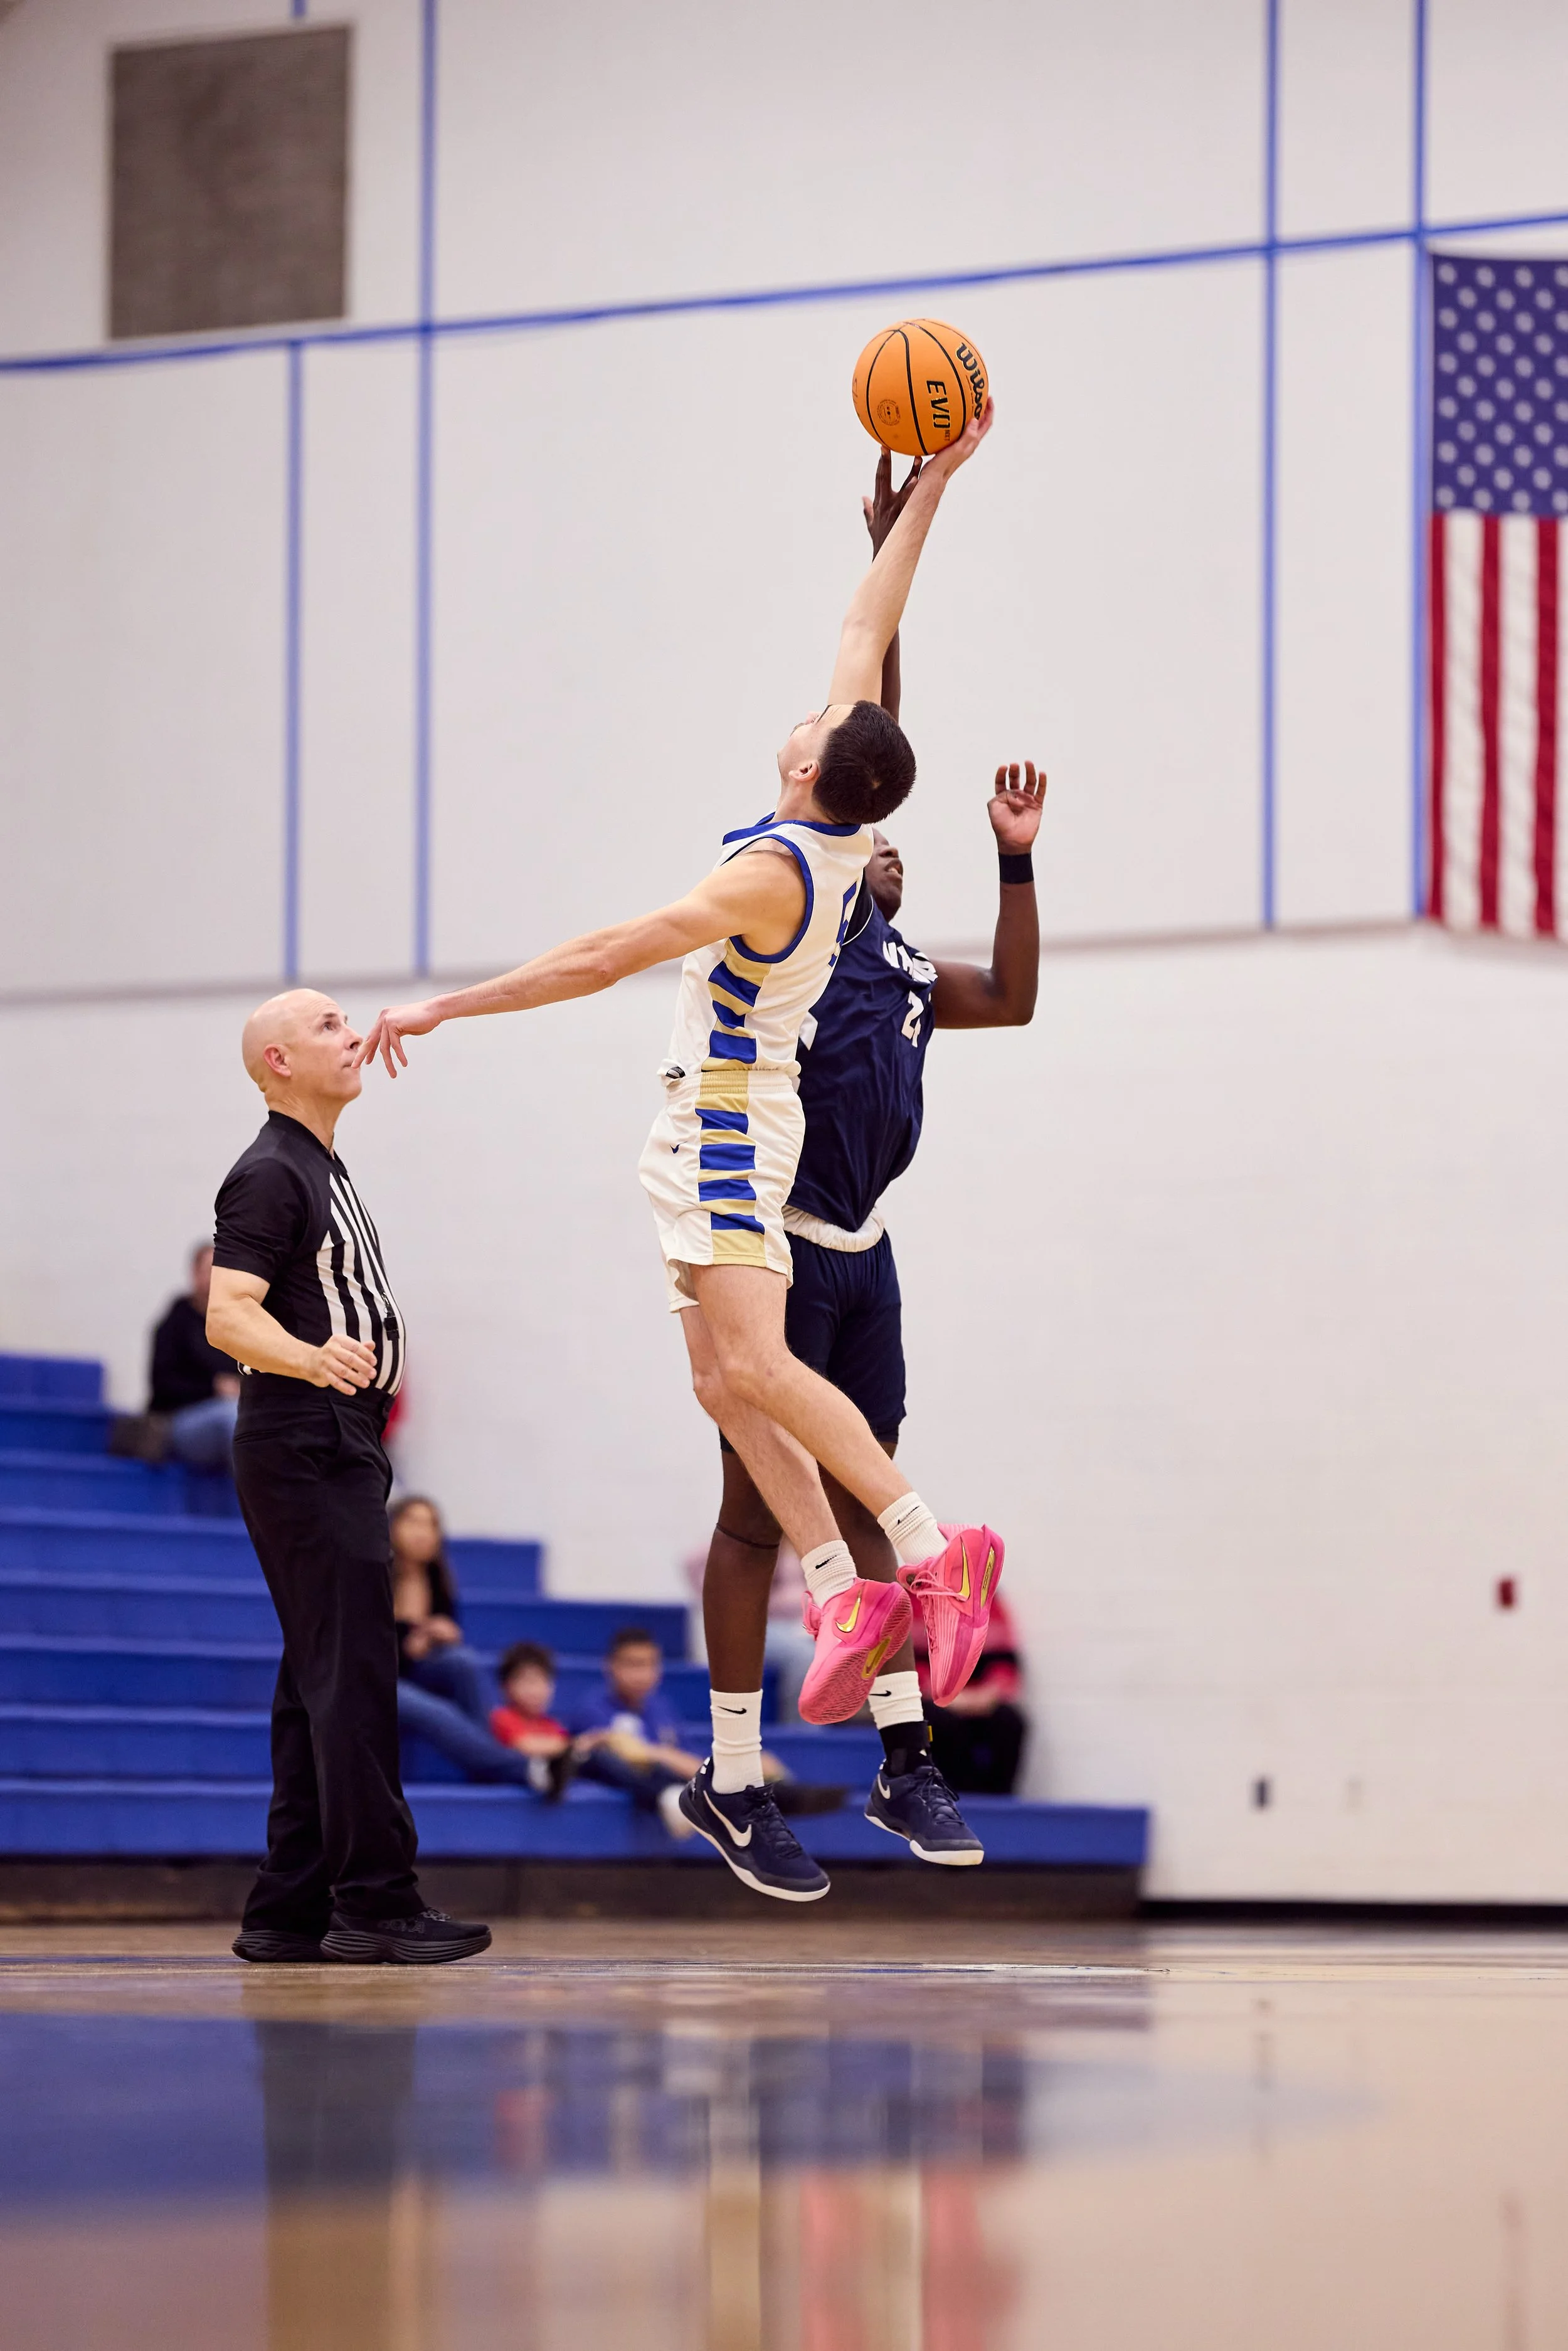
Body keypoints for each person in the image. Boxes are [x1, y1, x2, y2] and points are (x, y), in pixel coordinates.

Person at [360, 408, 1004, 1904]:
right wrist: (939, 488)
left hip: (721, 1119)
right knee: (721, 1379)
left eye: (806, 727)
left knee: (760, 1372)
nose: (794, 717)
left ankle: (920, 1542)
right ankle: (846, 1591)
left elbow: (602, 953)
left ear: (822, 769)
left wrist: (451, 1004)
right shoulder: (833, 827)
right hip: (727, 1114)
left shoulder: (772, 867)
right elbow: (868, 619)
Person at [704, 453, 1045, 1878]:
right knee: (750, 1519)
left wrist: (1014, 858)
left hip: (866, 1245)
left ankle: (906, 1763)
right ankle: (736, 1776)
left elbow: (1017, 999)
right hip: (767, 1244)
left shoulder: (901, 960)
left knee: (867, 1489)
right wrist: (896, 553)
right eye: (866, 822)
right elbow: (865, 729)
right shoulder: (811, 906)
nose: (874, 835)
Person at [206, 987, 490, 1966]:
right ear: (278, 1062)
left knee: (316, 1679)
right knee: (357, 1672)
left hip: (334, 1438)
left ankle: (288, 1908)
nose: (352, 1029)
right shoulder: (270, 1173)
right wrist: (311, 1358)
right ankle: (376, 1900)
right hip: (306, 1435)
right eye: (326, 1023)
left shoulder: (316, 1164)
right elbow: (228, 1315)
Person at [566, 1627, 705, 1841]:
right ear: (610, 1666)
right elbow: (615, 1757)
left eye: (650, 1665)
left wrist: (656, 1754)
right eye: (633, 1665)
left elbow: (691, 1763)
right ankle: (665, 1794)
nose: (641, 1674)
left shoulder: (663, 1710)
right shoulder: (592, 1709)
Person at [921, 1591, 1028, 1796]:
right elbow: (906, 1664)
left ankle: (998, 1801)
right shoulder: (913, 1600)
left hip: (980, 1699)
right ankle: (948, 1797)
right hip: (932, 1700)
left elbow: (1004, 1662)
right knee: (940, 1726)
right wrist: (946, 1697)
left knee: (1011, 1723)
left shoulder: (988, 1602)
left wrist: (990, 1694)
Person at [148, 1244, 242, 1467]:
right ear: (194, 1273)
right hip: (180, 1419)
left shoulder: (238, 1325)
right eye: (208, 1271)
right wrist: (214, 1388)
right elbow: (162, 1384)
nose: (213, 1279)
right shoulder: (176, 1323)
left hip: (234, 1411)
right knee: (235, 1419)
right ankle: (254, 1501)